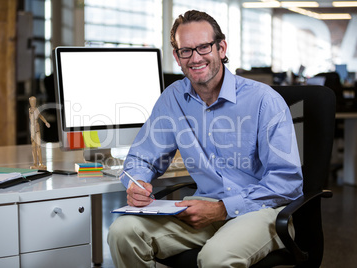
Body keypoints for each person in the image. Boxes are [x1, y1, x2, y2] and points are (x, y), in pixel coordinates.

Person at [108, 10, 303, 268]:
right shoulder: (173, 98)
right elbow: (142, 156)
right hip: (203, 209)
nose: (195, 57)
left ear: (221, 48)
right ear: (177, 57)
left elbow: (286, 182)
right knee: (123, 233)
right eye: (185, 50)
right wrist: (137, 181)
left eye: (203, 47)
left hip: (262, 211)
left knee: (215, 258)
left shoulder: (263, 101)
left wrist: (224, 208)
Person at [29, 96, 50, 169]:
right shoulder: (30, 110)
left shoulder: (37, 110)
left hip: (37, 129)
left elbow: (41, 116)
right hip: (32, 129)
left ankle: (40, 163)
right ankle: (35, 163)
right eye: (31, 102)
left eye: (34, 101)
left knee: (38, 146)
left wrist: (46, 122)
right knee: (33, 147)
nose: (33, 103)